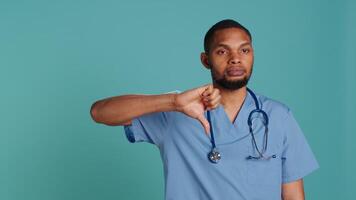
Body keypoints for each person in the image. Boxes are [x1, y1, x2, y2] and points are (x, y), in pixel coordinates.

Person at [90, 19, 319, 200]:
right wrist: (173, 102)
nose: (235, 59)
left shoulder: (278, 116)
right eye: (222, 51)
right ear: (205, 60)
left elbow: (292, 195)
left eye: (244, 51)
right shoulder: (177, 112)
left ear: (252, 55)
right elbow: (100, 112)